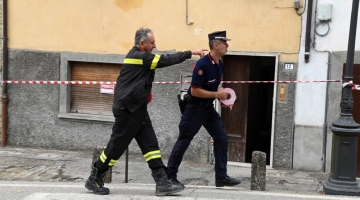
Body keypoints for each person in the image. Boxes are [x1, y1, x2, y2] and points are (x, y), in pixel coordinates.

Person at [85, 27, 207, 196]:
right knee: (116, 147)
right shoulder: (138, 57)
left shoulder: (140, 56)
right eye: (152, 43)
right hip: (128, 109)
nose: (154, 46)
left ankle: (162, 182)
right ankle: (95, 177)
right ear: (141, 44)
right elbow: (165, 59)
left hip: (137, 108)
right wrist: (190, 53)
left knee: (151, 146)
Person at [167, 31, 241, 188]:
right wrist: (216, 94)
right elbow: (195, 90)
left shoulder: (220, 64)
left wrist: (221, 98)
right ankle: (169, 177)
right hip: (194, 108)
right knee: (184, 140)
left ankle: (221, 177)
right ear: (216, 45)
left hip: (208, 108)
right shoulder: (202, 64)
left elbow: (215, 87)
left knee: (221, 137)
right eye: (224, 42)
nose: (227, 45)